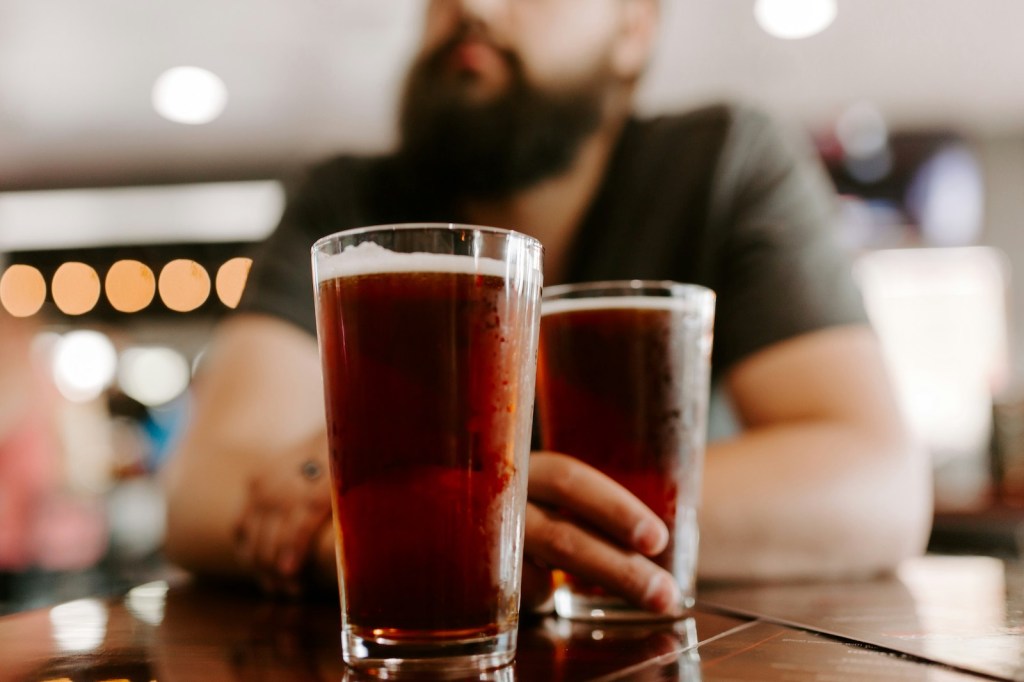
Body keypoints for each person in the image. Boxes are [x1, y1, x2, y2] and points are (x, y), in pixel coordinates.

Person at [162, 0, 932, 614]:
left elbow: (876, 483)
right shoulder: (345, 203)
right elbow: (202, 492)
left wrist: (440, 520)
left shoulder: (724, 163)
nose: (473, 6)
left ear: (634, 27)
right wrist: (398, 544)